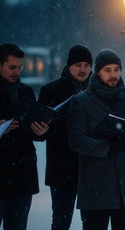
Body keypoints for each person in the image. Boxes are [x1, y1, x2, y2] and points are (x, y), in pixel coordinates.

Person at [67, 49, 125, 230]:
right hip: (96, 185)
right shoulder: (81, 101)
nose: (113, 75)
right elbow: (75, 139)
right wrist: (107, 147)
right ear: (97, 72)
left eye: (116, 69)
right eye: (108, 70)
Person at [38, 45, 92, 230]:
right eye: (78, 65)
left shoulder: (98, 91)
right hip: (62, 167)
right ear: (69, 66)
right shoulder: (50, 90)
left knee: (93, 222)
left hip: (92, 168)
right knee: (61, 221)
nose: (83, 69)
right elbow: (39, 131)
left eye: (86, 65)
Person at [0, 43, 49, 230]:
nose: (17, 72)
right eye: (12, 67)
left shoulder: (25, 92)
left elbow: (31, 127)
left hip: (22, 174)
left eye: (20, 67)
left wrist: (41, 131)